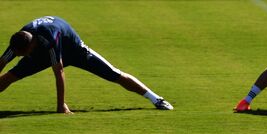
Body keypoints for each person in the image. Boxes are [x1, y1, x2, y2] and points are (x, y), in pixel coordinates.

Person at [0, 16, 173, 113]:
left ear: (31, 46)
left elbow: (58, 72)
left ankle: (157, 99)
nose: (20, 56)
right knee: (6, 79)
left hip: (75, 52)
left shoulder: (48, 38)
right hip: (41, 55)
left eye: (23, 54)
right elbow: (2, 61)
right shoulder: (20, 40)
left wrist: (61, 105)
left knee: (114, 74)